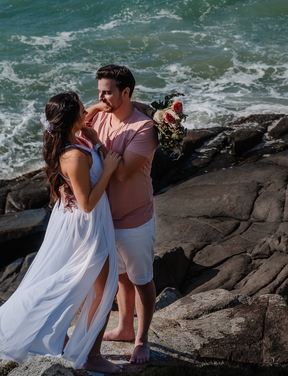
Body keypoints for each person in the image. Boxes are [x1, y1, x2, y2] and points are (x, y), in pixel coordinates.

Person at [0, 92, 124, 374]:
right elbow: (87, 203)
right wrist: (108, 169)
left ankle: (73, 345)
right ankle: (90, 355)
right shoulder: (74, 154)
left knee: (79, 284)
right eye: (82, 109)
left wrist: (102, 106)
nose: (88, 111)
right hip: (86, 225)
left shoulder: (73, 138)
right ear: (72, 119)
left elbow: (84, 117)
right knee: (95, 289)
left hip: (80, 221)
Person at [84, 64, 158, 365]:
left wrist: (97, 142)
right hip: (103, 218)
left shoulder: (145, 128)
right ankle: (125, 328)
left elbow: (124, 172)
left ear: (126, 93)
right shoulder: (99, 115)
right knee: (120, 277)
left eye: (107, 92)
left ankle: (142, 340)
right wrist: (96, 106)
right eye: (98, 91)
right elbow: (77, 122)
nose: (101, 97)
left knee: (141, 279)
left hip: (135, 218)